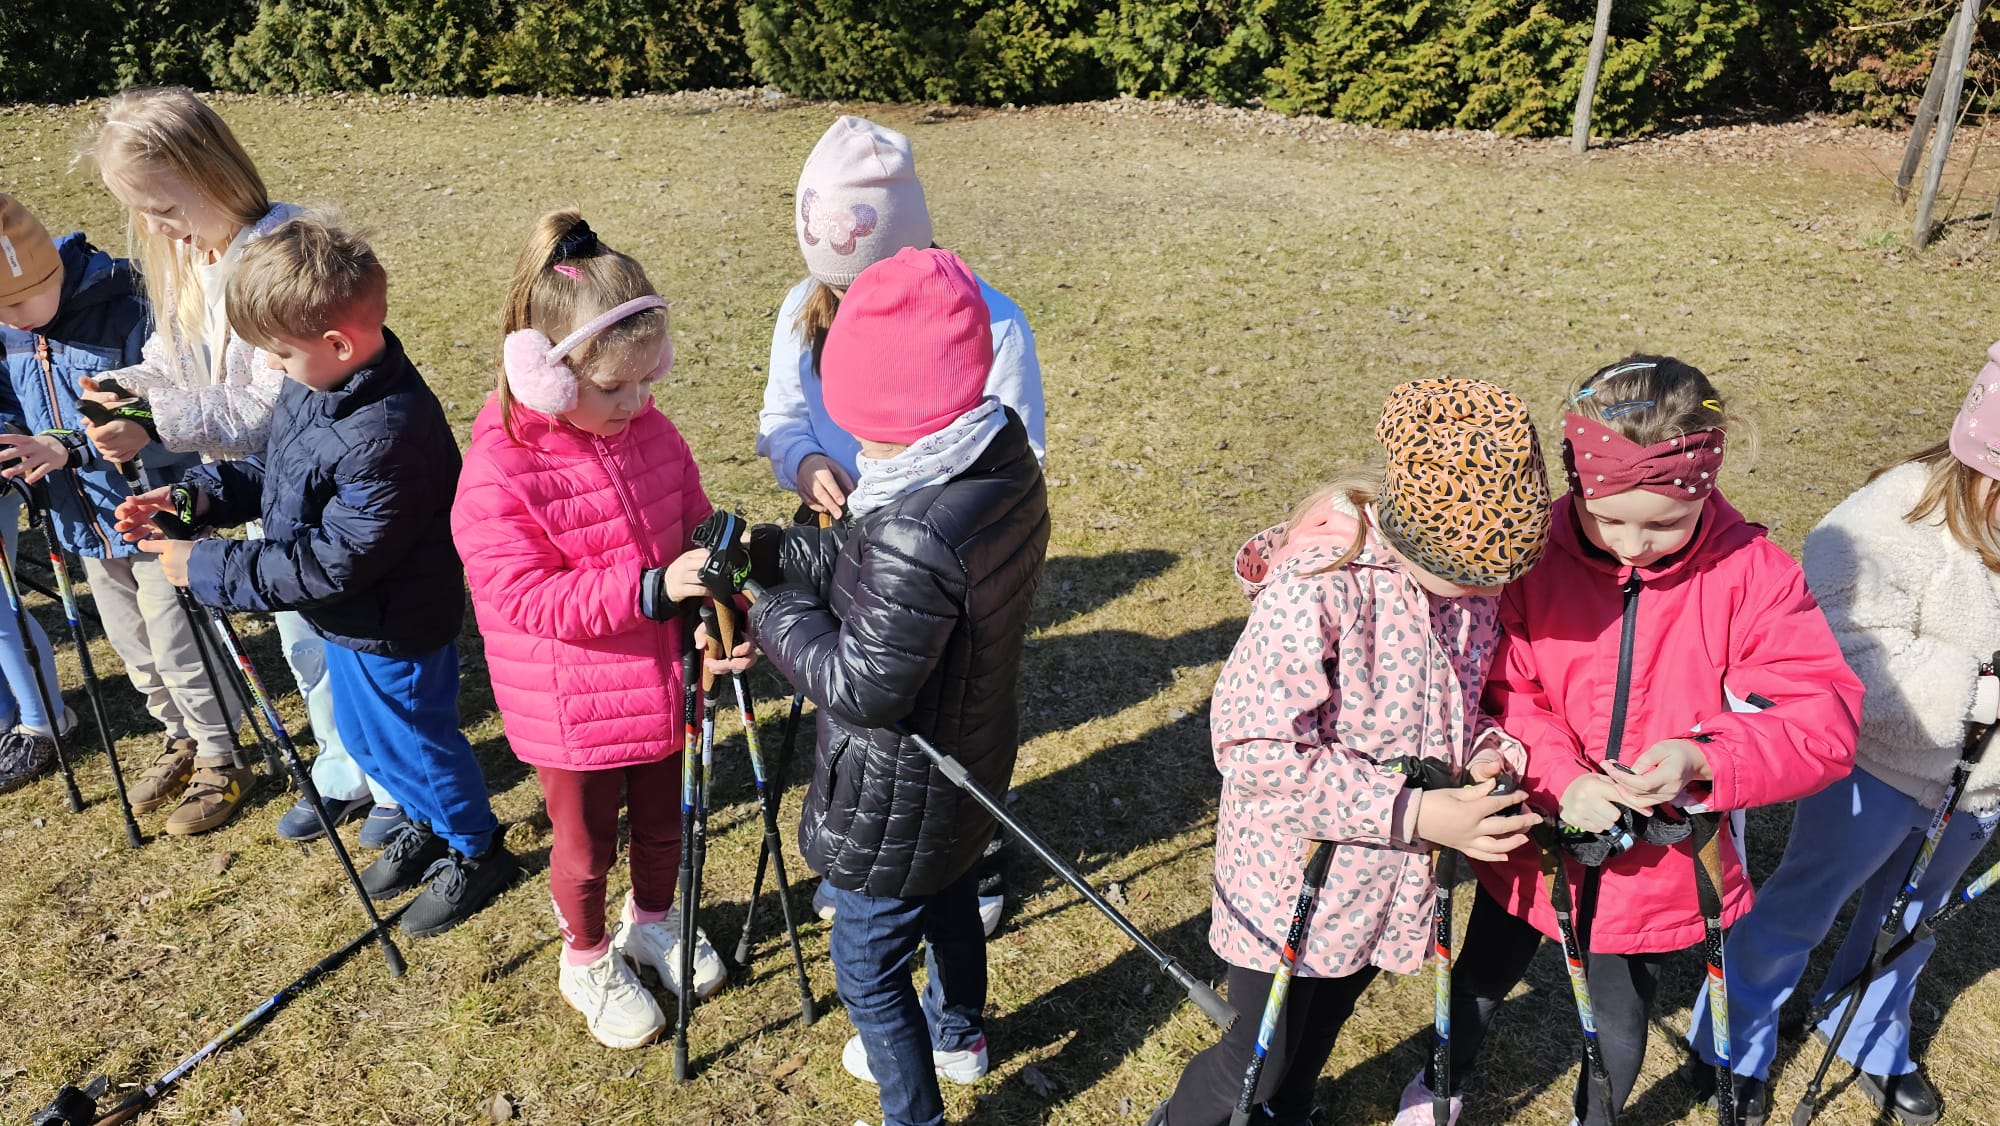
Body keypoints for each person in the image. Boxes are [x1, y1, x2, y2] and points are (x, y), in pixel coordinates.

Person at [1416, 356, 1862, 1126]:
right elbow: (1500, 688)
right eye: (1608, 519)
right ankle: (1434, 1090)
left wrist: (1705, 757)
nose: (1632, 545)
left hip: (1655, 866)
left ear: (1705, 489)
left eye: (1663, 525)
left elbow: (1820, 721)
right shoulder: (1531, 554)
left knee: (1617, 1025)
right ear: (1576, 481)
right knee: (1480, 979)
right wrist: (1560, 776)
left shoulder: (1751, 574)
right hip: (1533, 832)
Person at [703, 247, 1048, 1126]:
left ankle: (914, 1114)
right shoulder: (996, 461)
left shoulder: (915, 527)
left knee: (866, 966)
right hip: (969, 760)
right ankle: (958, 1032)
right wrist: (774, 551)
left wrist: (767, 606)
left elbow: (859, 686)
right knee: (952, 898)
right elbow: (869, 565)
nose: (859, 447)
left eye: (866, 430)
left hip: (896, 796)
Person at [1148, 379, 1553, 1126]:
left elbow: (1466, 705)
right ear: (1411, 535)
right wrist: (1417, 812)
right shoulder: (1321, 590)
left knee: (1328, 1014)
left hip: (1382, 879)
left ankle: (1290, 1110)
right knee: (1257, 1058)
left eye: (1493, 582)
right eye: (1466, 578)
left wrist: (1483, 757)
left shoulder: (1471, 590)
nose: (1480, 595)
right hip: (1292, 879)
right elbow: (1257, 748)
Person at [113, 213, 512, 937]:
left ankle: (474, 846)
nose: (272, 367)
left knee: (416, 743)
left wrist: (204, 565)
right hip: (349, 621)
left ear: (338, 343)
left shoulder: (386, 434)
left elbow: (331, 559)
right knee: (365, 737)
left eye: (278, 353)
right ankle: (422, 822)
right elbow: (281, 471)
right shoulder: (320, 384)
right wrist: (197, 498)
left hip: (394, 627)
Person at [1681, 345, 2000, 1126]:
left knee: (1914, 917)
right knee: (1803, 904)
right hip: (1878, 763)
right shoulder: (1886, 522)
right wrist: (1976, 691)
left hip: (1980, 784)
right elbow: (1844, 646)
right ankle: (1731, 1036)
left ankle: (1864, 1028)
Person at [81, 85, 396, 843]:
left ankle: (392, 784)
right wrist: (124, 390)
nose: (158, 228)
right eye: (143, 215)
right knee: (301, 642)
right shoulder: (191, 256)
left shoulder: (279, 254)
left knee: (348, 639)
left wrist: (153, 420)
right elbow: (169, 359)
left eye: (165, 207)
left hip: (321, 484)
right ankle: (342, 772)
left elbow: (265, 405)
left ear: (210, 172)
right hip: (262, 493)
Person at [756, 112, 1045, 936]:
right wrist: (807, 464)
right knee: (865, 717)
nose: (855, 304)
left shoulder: (992, 322)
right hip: (846, 538)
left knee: (956, 710)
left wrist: (919, 518)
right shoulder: (802, 309)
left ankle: (970, 860)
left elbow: (1015, 455)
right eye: (841, 288)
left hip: (939, 556)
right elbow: (782, 419)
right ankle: (872, 859)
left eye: (867, 282)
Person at [453, 211, 728, 1049]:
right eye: (614, 388)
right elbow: (524, 595)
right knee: (583, 847)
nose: (637, 402)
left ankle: (654, 922)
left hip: (663, 682)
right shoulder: (500, 467)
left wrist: (719, 605)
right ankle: (586, 957)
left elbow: (692, 523)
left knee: (665, 824)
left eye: (649, 379)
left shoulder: (651, 430)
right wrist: (650, 590)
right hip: (570, 706)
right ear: (547, 374)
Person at [0, 191, 197, 794]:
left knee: (178, 646)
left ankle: (220, 753)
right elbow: (11, 400)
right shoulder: (12, 331)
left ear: (50, 273)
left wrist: (73, 444)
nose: (14, 318)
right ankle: (179, 738)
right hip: (83, 524)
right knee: (136, 651)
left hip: (153, 510)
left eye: (20, 301)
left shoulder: (126, 306)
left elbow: (164, 408)